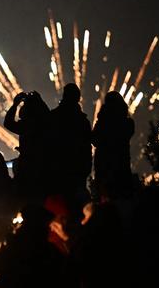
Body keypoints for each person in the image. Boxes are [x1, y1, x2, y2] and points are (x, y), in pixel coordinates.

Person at [49, 84, 92, 223]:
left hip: (58, 170)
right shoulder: (82, 120)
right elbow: (86, 146)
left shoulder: (53, 116)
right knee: (76, 211)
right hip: (75, 170)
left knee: (59, 210)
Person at [4, 91, 50, 200]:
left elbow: (8, 123)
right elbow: (48, 116)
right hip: (45, 167)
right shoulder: (46, 123)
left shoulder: (27, 124)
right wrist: (40, 101)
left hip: (28, 167)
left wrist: (15, 104)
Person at [92, 91, 135, 200]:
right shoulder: (128, 123)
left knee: (104, 203)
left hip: (103, 169)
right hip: (121, 168)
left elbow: (94, 139)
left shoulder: (102, 123)